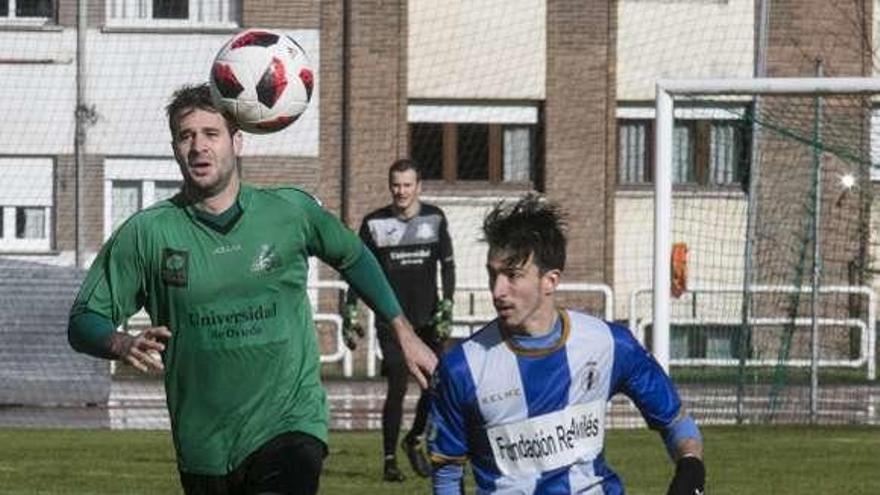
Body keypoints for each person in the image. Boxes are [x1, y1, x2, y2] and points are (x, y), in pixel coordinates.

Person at [67, 83, 437, 495]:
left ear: (237, 141)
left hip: (290, 424)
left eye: (211, 134)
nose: (198, 147)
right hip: (204, 442)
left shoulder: (290, 212)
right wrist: (119, 342)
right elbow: (83, 319)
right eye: (186, 136)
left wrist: (402, 330)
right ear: (174, 148)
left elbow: (354, 256)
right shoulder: (147, 234)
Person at [428, 194, 705, 495]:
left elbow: (675, 421)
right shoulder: (462, 368)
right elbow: (447, 472)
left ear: (550, 280)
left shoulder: (610, 344)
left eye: (512, 275)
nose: (497, 291)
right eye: (492, 274)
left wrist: (690, 468)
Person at [343, 158, 456, 482]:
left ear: (418, 186)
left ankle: (415, 438)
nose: (401, 191)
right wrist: (350, 312)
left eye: (407, 185)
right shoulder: (373, 224)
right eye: (396, 185)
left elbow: (448, 266)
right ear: (389, 185)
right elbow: (356, 271)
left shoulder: (435, 218)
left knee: (435, 385)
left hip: (428, 318)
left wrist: (447, 304)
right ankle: (390, 460)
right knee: (396, 387)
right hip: (391, 321)